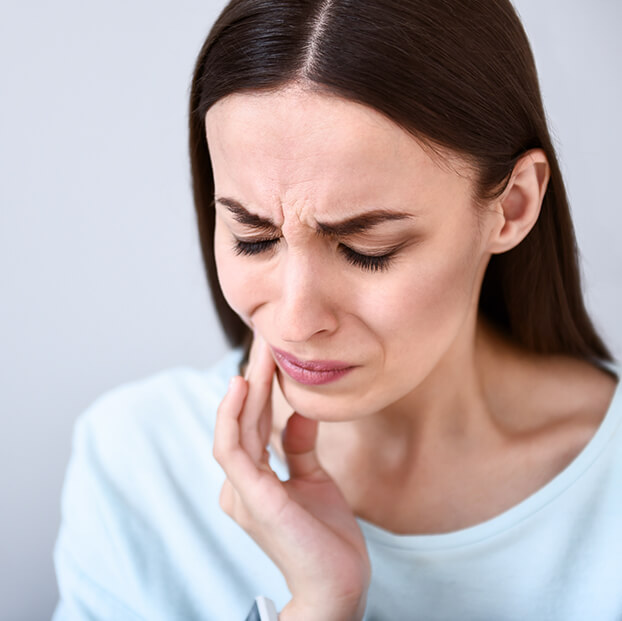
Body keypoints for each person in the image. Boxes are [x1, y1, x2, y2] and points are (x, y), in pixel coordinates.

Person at [52, 1, 621, 619]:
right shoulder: (136, 464)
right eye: (252, 238)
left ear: (511, 206)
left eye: (365, 250)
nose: (294, 322)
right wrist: (323, 604)